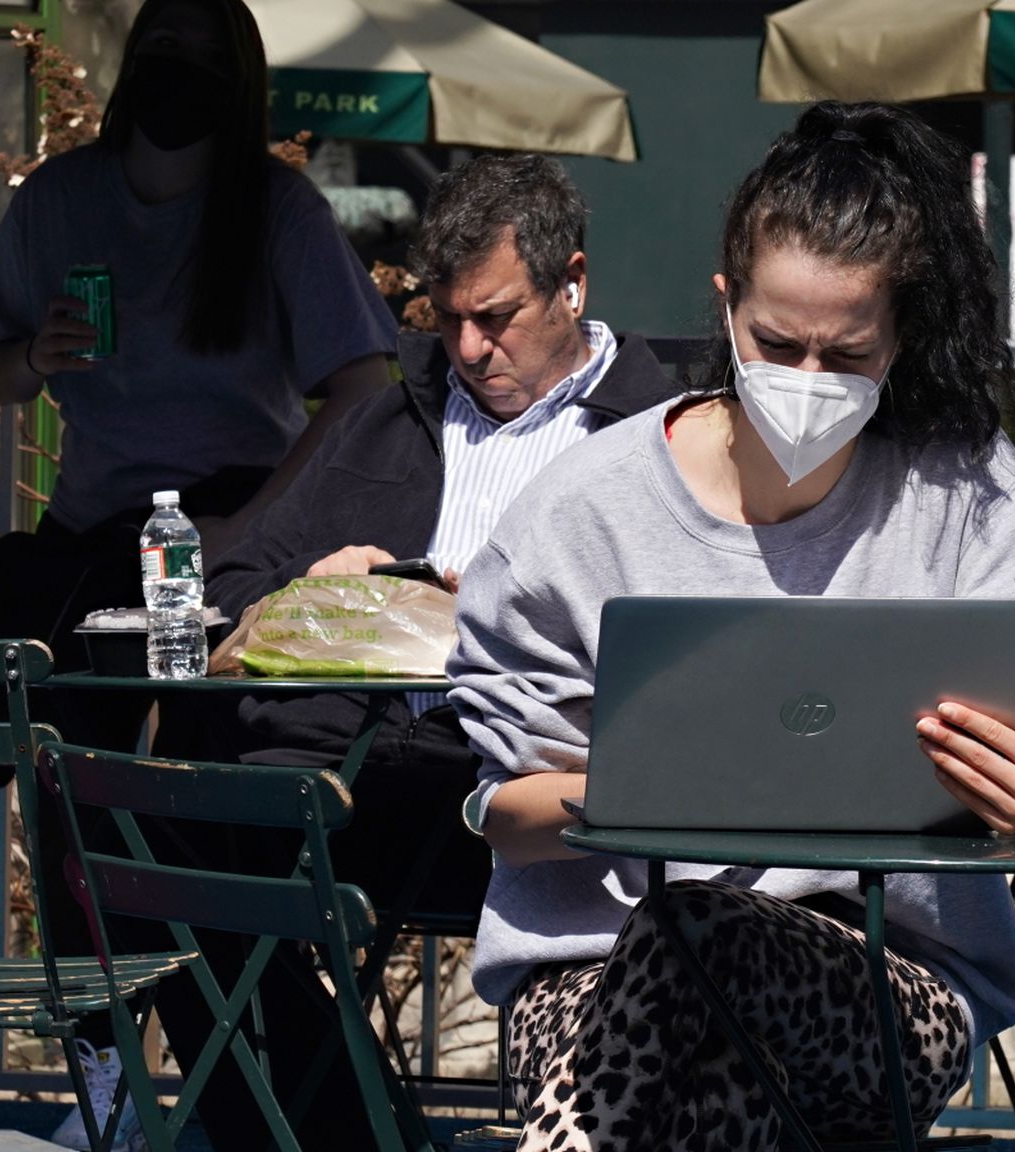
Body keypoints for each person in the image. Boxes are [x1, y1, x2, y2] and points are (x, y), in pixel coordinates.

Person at [448, 101, 1015, 1148]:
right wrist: (641, 793)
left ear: (903, 339)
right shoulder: (579, 513)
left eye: (848, 354)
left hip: (887, 976)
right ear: (725, 306)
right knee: (704, 1003)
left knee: (705, 937)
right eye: (777, 342)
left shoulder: (968, 495)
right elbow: (505, 810)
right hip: (596, 976)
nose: (807, 381)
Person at [172, 153, 677, 1151]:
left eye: (497, 317)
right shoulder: (386, 424)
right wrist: (312, 599)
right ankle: (341, 1128)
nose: (471, 347)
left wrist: (485, 611)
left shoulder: (660, 436)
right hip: (353, 774)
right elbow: (227, 590)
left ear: (573, 284)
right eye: (446, 320)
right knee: (145, 823)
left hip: (539, 791)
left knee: (202, 840)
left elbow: (699, 630)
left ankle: (329, 1127)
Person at [0, 1, 395, 1146]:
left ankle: (220, 1074)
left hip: (228, 538)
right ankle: (111, 1080)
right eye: (164, 56)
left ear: (239, 83)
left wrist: (262, 515)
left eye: (203, 64)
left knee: (192, 811)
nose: (176, 83)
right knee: (72, 805)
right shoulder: (59, 198)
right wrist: (35, 355)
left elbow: (361, 380)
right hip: (94, 539)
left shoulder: (277, 209)